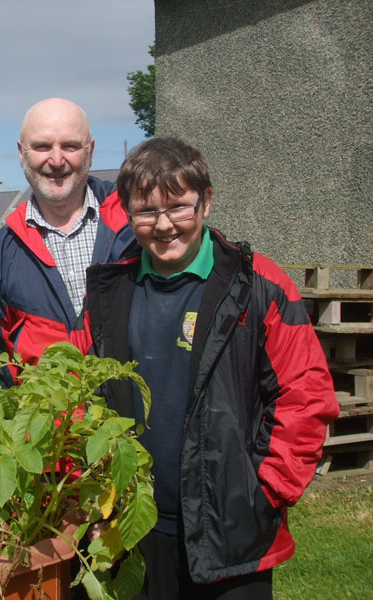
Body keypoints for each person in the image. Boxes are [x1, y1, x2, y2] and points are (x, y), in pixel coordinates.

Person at [85, 137, 339, 599]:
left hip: (231, 530)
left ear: (206, 200)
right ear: (125, 211)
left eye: (178, 207)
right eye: (146, 211)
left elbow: (306, 395)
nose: (163, 226)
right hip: (133, 527)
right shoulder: (109, 292)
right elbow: (85, 397)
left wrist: (264, 494)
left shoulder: (257, 285)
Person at [0, 98, 134, 386]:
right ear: (21, 154)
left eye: (71, 146)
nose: (57, 160)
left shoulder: (134, 224)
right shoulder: (0, 251)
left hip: (130, 425)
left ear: (91, 151)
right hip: (46, 428)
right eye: (42, 146)